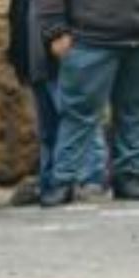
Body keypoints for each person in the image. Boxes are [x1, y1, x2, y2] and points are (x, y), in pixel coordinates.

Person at [37, 0, 139, 205]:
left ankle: (129, 177)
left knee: (133, 112)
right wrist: (55, 30)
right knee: (78, 114)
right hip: (88, 40)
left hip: (134, 41)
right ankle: (63, 181)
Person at [8, 0, 108, 204]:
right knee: (48, 131)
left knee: (80, 119)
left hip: (63, 64)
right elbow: (19, 26)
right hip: (37, 67)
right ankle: (51, 184)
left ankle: (92, 182)